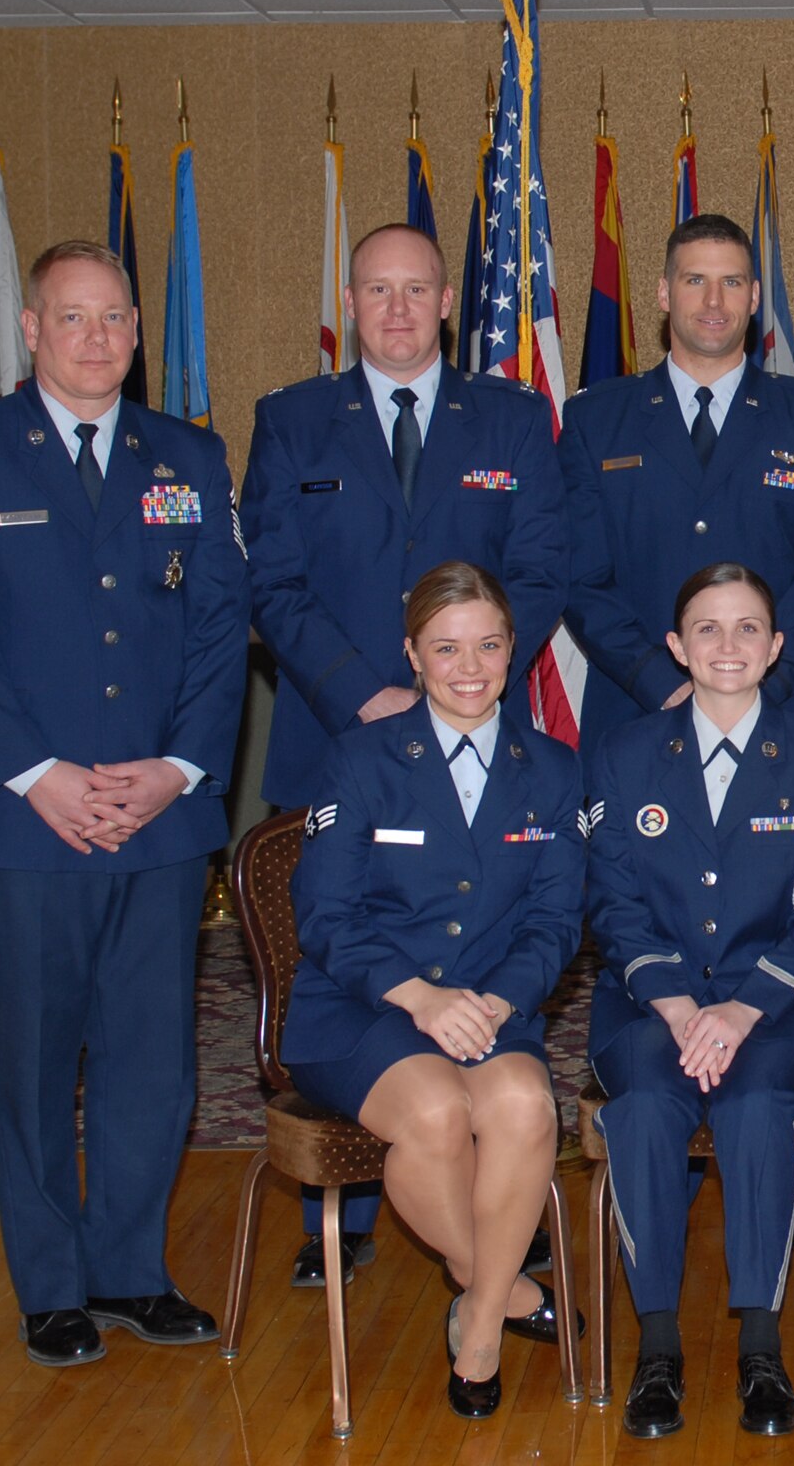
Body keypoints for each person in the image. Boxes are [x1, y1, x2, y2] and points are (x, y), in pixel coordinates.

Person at [0, 240, 250, 1367]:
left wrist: (177, 772)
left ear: (139, 333)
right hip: (19, 821)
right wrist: (42, 777)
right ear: (32, 330)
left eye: (114, 320)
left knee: (154, 1061)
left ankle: (130, 1271)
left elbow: (218, 629)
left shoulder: (190, 455)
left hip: (158, 818)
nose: (95, 339)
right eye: (72, 318)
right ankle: (49, 1286)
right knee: (37, 1061)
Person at [241, 221, 567, 1285]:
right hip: (339, 746)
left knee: (473, 971)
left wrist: (450, 689)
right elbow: (273, 587)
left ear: (443, 303)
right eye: (374, 290)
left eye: (413, 289)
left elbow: (542, 568)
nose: (393, 308)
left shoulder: (513, 420)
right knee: (337, 957)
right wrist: (372, 697)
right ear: (351, 297)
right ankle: (341, 1222)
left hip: (474, 736)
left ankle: (475, 1239)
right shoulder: (291, 422)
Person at [286, 562, 584, 1420]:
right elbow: (328, 917)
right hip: (362, 1009)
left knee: (527, 1108)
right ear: (412, 654)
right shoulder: (359, 759)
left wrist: (496, 1001)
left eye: (488, 645)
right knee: (436, 1117)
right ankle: (502, 1289)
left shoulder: (555, 770)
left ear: (512, 652)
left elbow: (557, 919)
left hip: (494, 1004)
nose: (468, 665)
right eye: (446, 647)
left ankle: (480, 1319)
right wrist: (419, 998)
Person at [585, 564, 794, 1440]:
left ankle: (761, 1345)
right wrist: (676, 1007)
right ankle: (658, 1348)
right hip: (647, 1007)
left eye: (749, 629)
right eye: (707, 629)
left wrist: (743, 1009)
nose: (728, 646)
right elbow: (612, 907)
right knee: (640, 1109)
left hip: (785, 1008)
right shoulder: (623, 755)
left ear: (778, 647)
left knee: (753, 1105)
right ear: (676, 648)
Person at [559, 214, 794, 760]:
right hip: (638, 715)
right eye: (695, 280)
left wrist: (758, 685)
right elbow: (581, 579)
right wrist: (661, 683)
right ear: (663, 292)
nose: (714, 302)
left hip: (782, 714)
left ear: (753, 297)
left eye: (732, 283)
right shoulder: (597, 420)